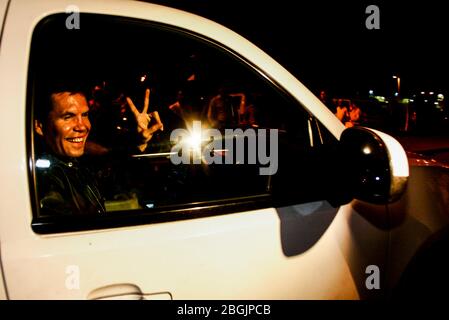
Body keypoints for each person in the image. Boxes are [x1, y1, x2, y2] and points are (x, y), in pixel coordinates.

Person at [34, 84, 163, 216]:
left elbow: (113, 171)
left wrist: (140, 141)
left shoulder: (74, 164)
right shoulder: (42, 184)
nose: (82, 126)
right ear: (39, 126)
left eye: (84, 115)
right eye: (68, 117)